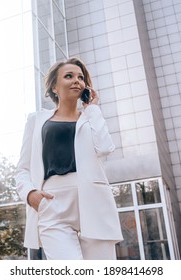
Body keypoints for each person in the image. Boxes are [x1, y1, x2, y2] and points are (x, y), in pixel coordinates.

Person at [15, 57, 123, 260]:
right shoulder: (36, 120)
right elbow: (22, 169)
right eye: (69, 76)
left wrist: (92, 108)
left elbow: (105, 148)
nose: (77, 81)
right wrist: (30, 194)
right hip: (52, 204)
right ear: (54, 87)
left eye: (81, 77)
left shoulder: (90, 118)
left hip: (94, 202)